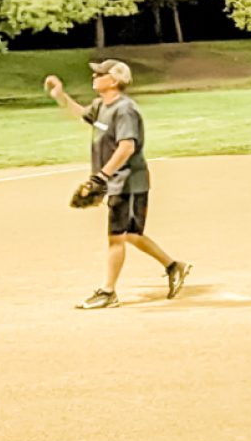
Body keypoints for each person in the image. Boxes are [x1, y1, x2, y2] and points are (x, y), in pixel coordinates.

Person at [44, 61, 190, 309]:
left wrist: (101, 177)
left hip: (128, 182)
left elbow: (127, 147)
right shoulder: (101, 106)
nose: (94, 76)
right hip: (117, 181)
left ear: (113, 80)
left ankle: (108, 292)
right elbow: (81, 114)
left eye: (100, 73)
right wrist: (60, 95)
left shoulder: (125, 110)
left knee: (116, 237)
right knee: (131, 234)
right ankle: (174, 266)